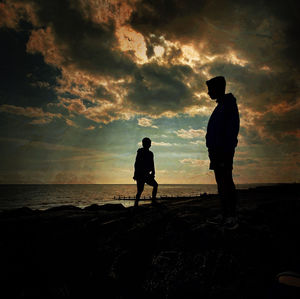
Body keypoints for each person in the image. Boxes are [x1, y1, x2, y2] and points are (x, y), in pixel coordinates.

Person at [205, 76, 240, 229]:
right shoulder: (220, 105)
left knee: (226, 180)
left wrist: (225, 149)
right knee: (221, 181)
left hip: (223, 150)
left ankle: (231, 215)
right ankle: (224, 213)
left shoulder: (228, 104)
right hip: (216, 151)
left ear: (218, 88)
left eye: (210, 89)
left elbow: (232, 129)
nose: (208, 93)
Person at [133, 137, 159, 207]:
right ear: (143, 144)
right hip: (140, 175)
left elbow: (152, 163)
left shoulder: (150, 153)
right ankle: (136, 204)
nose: (148, 145)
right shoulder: (140, 152)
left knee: (155, 185)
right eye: (147, 143)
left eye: (149, 143)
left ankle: (153, 200)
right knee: (140, 190)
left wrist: (153, 172)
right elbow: (136, 164)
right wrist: (135, 174)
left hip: (147, 174)